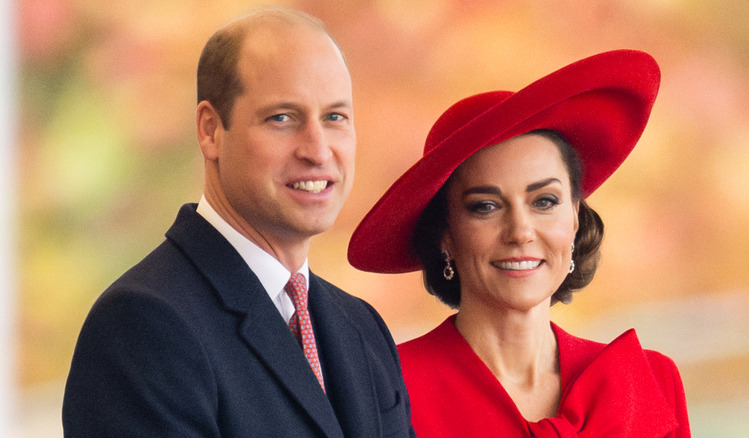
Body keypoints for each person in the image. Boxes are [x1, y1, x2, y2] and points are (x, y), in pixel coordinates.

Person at [63, 7, 413, 437]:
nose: (318, 150)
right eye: (282, 118)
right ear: (210, 130)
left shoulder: (362, 327)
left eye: (334, 117)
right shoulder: (143, 324)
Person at [348, 50, 690, 437]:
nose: (520, 231)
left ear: (575, 217)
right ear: (445, 231)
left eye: (544, 201)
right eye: (486, 206)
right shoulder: (386, 393)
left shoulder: (650, 382)